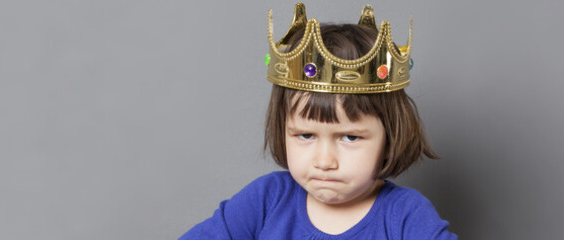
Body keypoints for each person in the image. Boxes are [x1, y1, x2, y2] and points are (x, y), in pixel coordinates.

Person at [180, 3, 457, 239]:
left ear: (390, 136)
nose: (324, 161)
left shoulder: (406, 216)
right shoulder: (267, 199)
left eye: (350, 137)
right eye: (305, 136)